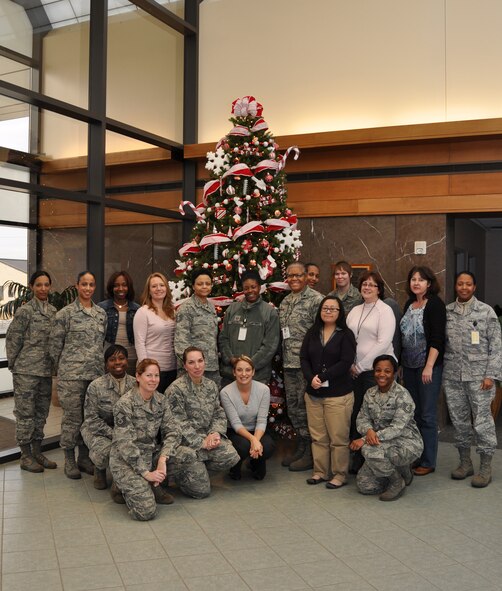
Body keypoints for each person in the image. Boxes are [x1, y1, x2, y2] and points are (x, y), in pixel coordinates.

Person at [443, 271, 502, 488]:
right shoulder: (447, 312)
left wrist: (491, 375)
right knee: (459, 422)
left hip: (480, 378)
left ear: (474, 287)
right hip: (453, 377)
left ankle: (485, 467)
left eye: (468, 284)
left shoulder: (486, 312)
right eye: (460, 284)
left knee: (483, 422)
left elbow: (496, 346)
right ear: (455, 286)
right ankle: (465, 463)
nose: (464, 288)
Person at [50, 271, 107, 480]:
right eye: (84, 284)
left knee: (89, 419)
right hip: (71, 377)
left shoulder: (101, 314)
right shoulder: (65, 314)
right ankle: (69, 460)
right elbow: (55, 347)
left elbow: (100, 344)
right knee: (72, 419)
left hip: (94, 376)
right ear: (77, 286)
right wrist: (62, 371)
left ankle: (84, 458)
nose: (88, 288)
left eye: (91, 284)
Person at [166, 347, 240, 498]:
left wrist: (215, 433)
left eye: (200, 361)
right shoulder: (176, 389)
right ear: (185, 366)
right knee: (202, 492)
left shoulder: (211, 386)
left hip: (206, 438)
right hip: (184, 444)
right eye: (191, 362)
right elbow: (177, 423)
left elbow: (218, 413)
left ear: (205, 362)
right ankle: (183, 471)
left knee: (231, 456)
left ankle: (196, 469)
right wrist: (201, 442)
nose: (197, 366)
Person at [109, 359, 178, 520]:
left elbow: (173, 431)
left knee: (186, 456)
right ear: (138, 377)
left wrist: (163, 458)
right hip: (126, 460)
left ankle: (151, 483)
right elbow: (125, 444)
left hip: (151, 454)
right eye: (148, 375)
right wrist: (146, 474)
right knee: (146, 512)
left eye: (156, 375)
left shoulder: (161, 400)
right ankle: (122, 485)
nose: (153, 379)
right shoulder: (124, 404)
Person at [300, 296, 356, 488]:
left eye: (333, 309)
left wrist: (322, 378)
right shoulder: (313, 332)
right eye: (325, 308)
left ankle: (339, 474)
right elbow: (304, 358)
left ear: (340, 313)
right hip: (314, 394)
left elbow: (346, 362)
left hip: (338, 395)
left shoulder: (346, 334)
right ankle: (320, 472)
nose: (329, 311)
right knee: (318, 437)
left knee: (338, 438)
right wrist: (311, 378)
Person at [350, 355, 423, 501]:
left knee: (369, 449)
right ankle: (400, 470)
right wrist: (369, 431)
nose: (381, 374)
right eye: (378, 370)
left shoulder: (402, 395)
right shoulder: (370, 393)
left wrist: (365, 439)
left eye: (387, 371)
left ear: (394, 373)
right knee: (365, 486)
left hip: (406, 442)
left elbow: (397, 428)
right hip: (380, 442)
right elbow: (362, 418)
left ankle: (397, 481)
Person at [6, 271, 57, 472]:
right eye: (39, 285)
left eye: (46, 285)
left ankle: (37, 452)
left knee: (41, 413)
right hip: (26, 371)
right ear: (31, 287)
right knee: (25, 414)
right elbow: (13, 340)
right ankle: (25, 456)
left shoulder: (53, 311)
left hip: (45, 371)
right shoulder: (25, 311)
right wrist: (14, 365)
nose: (43, 288)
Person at [401, 265, 446, 476]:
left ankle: (428, 461)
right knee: (415, 414)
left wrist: (428, 366)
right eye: (413, 279)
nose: (416, 282)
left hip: (427, 368)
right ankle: (417, 455)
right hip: (409, 368)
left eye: (420, 279)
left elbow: (438, 338)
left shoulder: (435, 304)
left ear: (429, 283)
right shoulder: (409, 304)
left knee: (427, 416)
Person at [279, 262, 323, 471]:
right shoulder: (286, 302)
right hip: (289, 364)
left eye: (298, 275)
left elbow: (322, 334)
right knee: (295, 408)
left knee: (308, 409)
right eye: (290, 276)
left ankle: (312, 452)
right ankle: (302, 445)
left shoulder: (316, 300)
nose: (294, 279)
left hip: (307, 366)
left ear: (306, 276)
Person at [346, 271, 396, 454]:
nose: (367, 287)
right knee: (356, 413)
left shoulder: (385, 310)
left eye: (372, 285)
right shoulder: (355, 310)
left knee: (373, 415)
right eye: (364, 284)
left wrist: (360, 366)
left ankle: (373, 457)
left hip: (375, 372)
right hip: (353, 371)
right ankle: (357, 456)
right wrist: (351, 364)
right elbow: (348, 339)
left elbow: (383, 343)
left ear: (379, 289)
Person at [81, 345, 136, 490]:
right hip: (97, 430)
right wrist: (115, 435)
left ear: (127, 361)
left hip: (124, 430)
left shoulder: (136, 384)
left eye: (121, 358)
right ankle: (99, 469)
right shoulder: (96, 386)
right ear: (106, 364)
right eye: (112, 359)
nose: (117, 362)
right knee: (106, 453)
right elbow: (91, 418)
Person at [219, 270, 280, 387]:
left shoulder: (269, 312)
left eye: (253, 287)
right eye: (246, 288)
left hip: (257, 376)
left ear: (259, 287)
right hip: (230, 374)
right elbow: (223, 338)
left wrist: (247, 366)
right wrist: (231, 359)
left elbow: (270, 345)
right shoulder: (232, 309)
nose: (250, 291)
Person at [220, 355, 275, 481]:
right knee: (243, 446)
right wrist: (253, 441)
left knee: (268, 446)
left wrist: (256, 439)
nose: (243, 374)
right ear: (234, 372)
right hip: (236, 431)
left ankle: (255, 462)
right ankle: (235, 466)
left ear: (253, 371)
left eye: (248, 370)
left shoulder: (264, 390)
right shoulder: (226, 392)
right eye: (239, 370)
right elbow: (235, 423)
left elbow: (261, 420)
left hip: (257, 430)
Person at [174, 269, 220, 387]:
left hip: (211, 368)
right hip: (192, 370)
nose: (204, 287)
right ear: (193, 286)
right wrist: (191, 365)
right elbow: (181, 343)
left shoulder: (211, 308)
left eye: (208, 284)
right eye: (200, 284)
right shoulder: (186, 309)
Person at [133, 272, 176, 393]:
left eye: (161, 285)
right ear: (149, 290)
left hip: (172, 368)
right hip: (152, 372)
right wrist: (146, 370)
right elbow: (139, 343)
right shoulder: (143, 312)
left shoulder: (172, 312)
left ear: (166, 288)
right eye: (154, 286)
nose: (158, 289)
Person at [98, 271, 139, 375]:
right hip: (110, 357)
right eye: (116, 285)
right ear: (111, 288)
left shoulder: (137, 309)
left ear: (129, 287)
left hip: (131, 357)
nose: (120, 288)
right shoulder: (102, 307)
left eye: (124, 285)